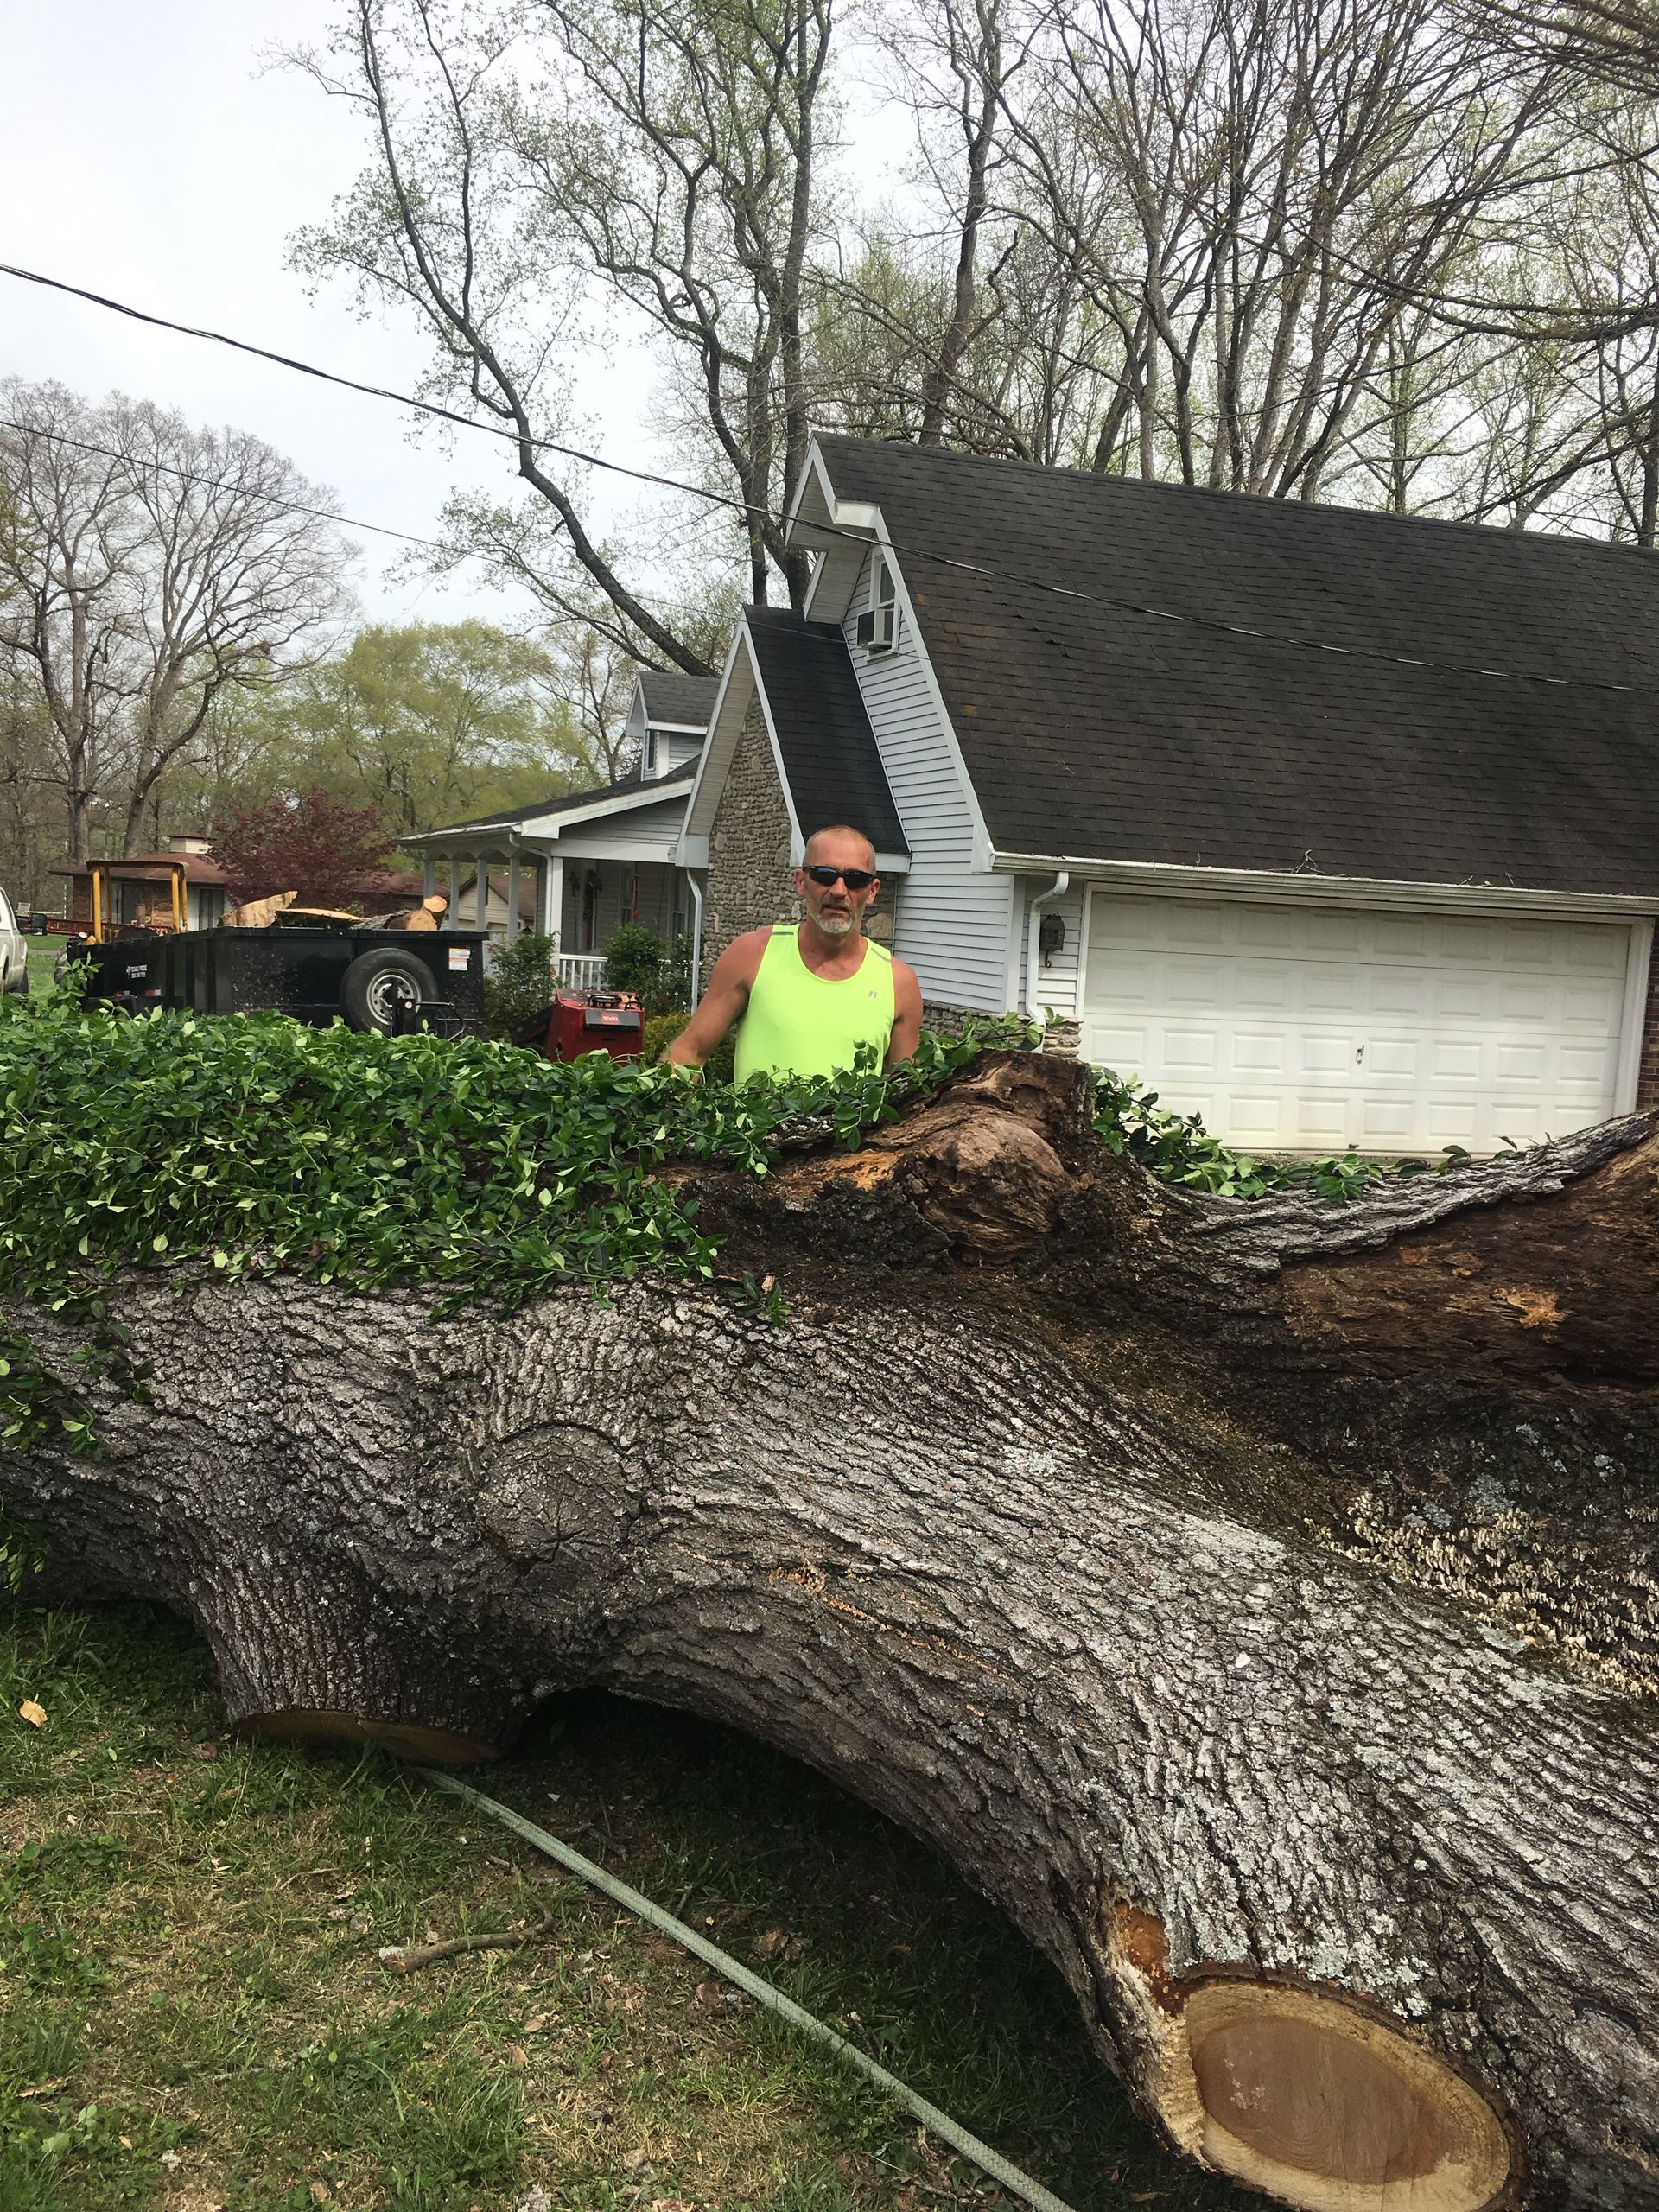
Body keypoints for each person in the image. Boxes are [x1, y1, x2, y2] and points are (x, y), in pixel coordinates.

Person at [664, 824, 922, 1081]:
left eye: (855, 879)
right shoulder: (753, 954)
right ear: (801, 881)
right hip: (760, 1123)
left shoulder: (898, 982)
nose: (839, 891)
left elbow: (906, 1093)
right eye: (824, 875)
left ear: (872, 890)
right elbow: (690, 1051)